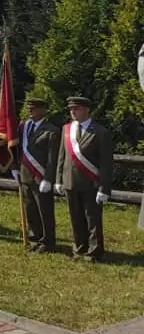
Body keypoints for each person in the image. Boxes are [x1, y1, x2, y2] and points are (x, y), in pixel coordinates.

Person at [55, 96, 113, 262]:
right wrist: (59, 179)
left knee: (92, 218)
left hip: (91, 183)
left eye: (77, 108)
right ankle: (79, 247)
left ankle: (95, 251)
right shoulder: (66, 130)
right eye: (71, 109)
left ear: (86, 110)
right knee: (75, 217)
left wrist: (104, 188)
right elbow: (62, 156)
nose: (73, 112)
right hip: (70, 181)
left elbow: (106, 163)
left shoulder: (101, 132)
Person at [15, 97, 59, 254]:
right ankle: (36, 237)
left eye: (33, 108)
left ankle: (48, 241)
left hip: (40, 177)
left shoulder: (51, 131)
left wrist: (48, 178)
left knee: (44, 210)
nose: (29, 110)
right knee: (30, 209)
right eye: (29, 107)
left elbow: (52, 158)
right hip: (25, 174)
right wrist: (15, 168)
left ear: (43, 110)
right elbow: (17, 148)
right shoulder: (24, 126)